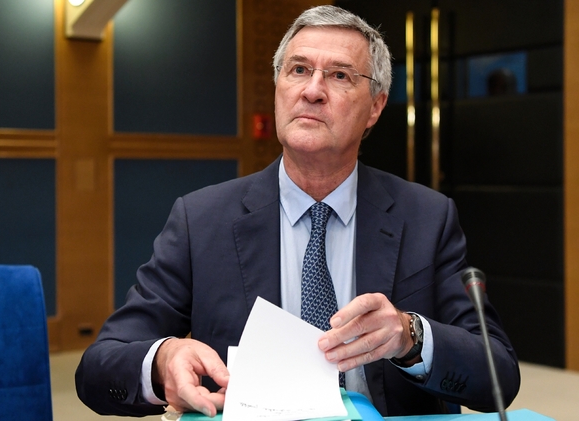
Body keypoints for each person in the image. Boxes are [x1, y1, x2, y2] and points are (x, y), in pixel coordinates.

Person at [76, 5, 520, 418]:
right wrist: (163, 361)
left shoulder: (427, 217)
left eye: (340, 76)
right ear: (278, 88)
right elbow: (97, 368)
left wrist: (410, 338)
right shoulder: (202, 219)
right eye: (299, 70)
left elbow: (498, 374)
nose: (312, 90)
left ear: (376, 107)